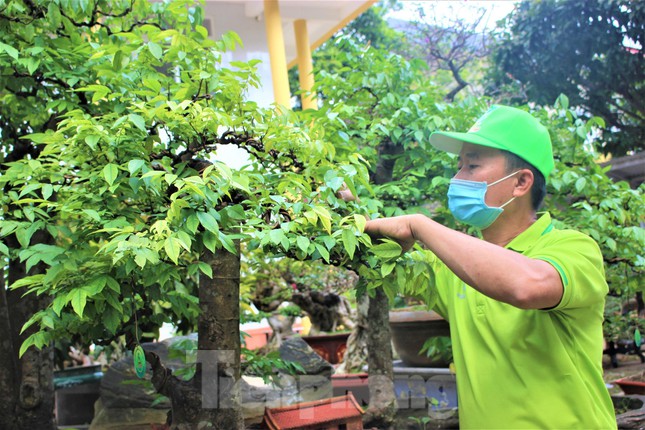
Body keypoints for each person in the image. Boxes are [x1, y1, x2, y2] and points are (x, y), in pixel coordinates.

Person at [363, 105, 616, 429]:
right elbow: (378, 257)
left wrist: (419, 225)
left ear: (521, 182)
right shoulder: (453, 265)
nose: (456, 179)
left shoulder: (573, 248)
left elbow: (527, 285)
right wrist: (354, 217)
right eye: (459, 166)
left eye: (472, 165)